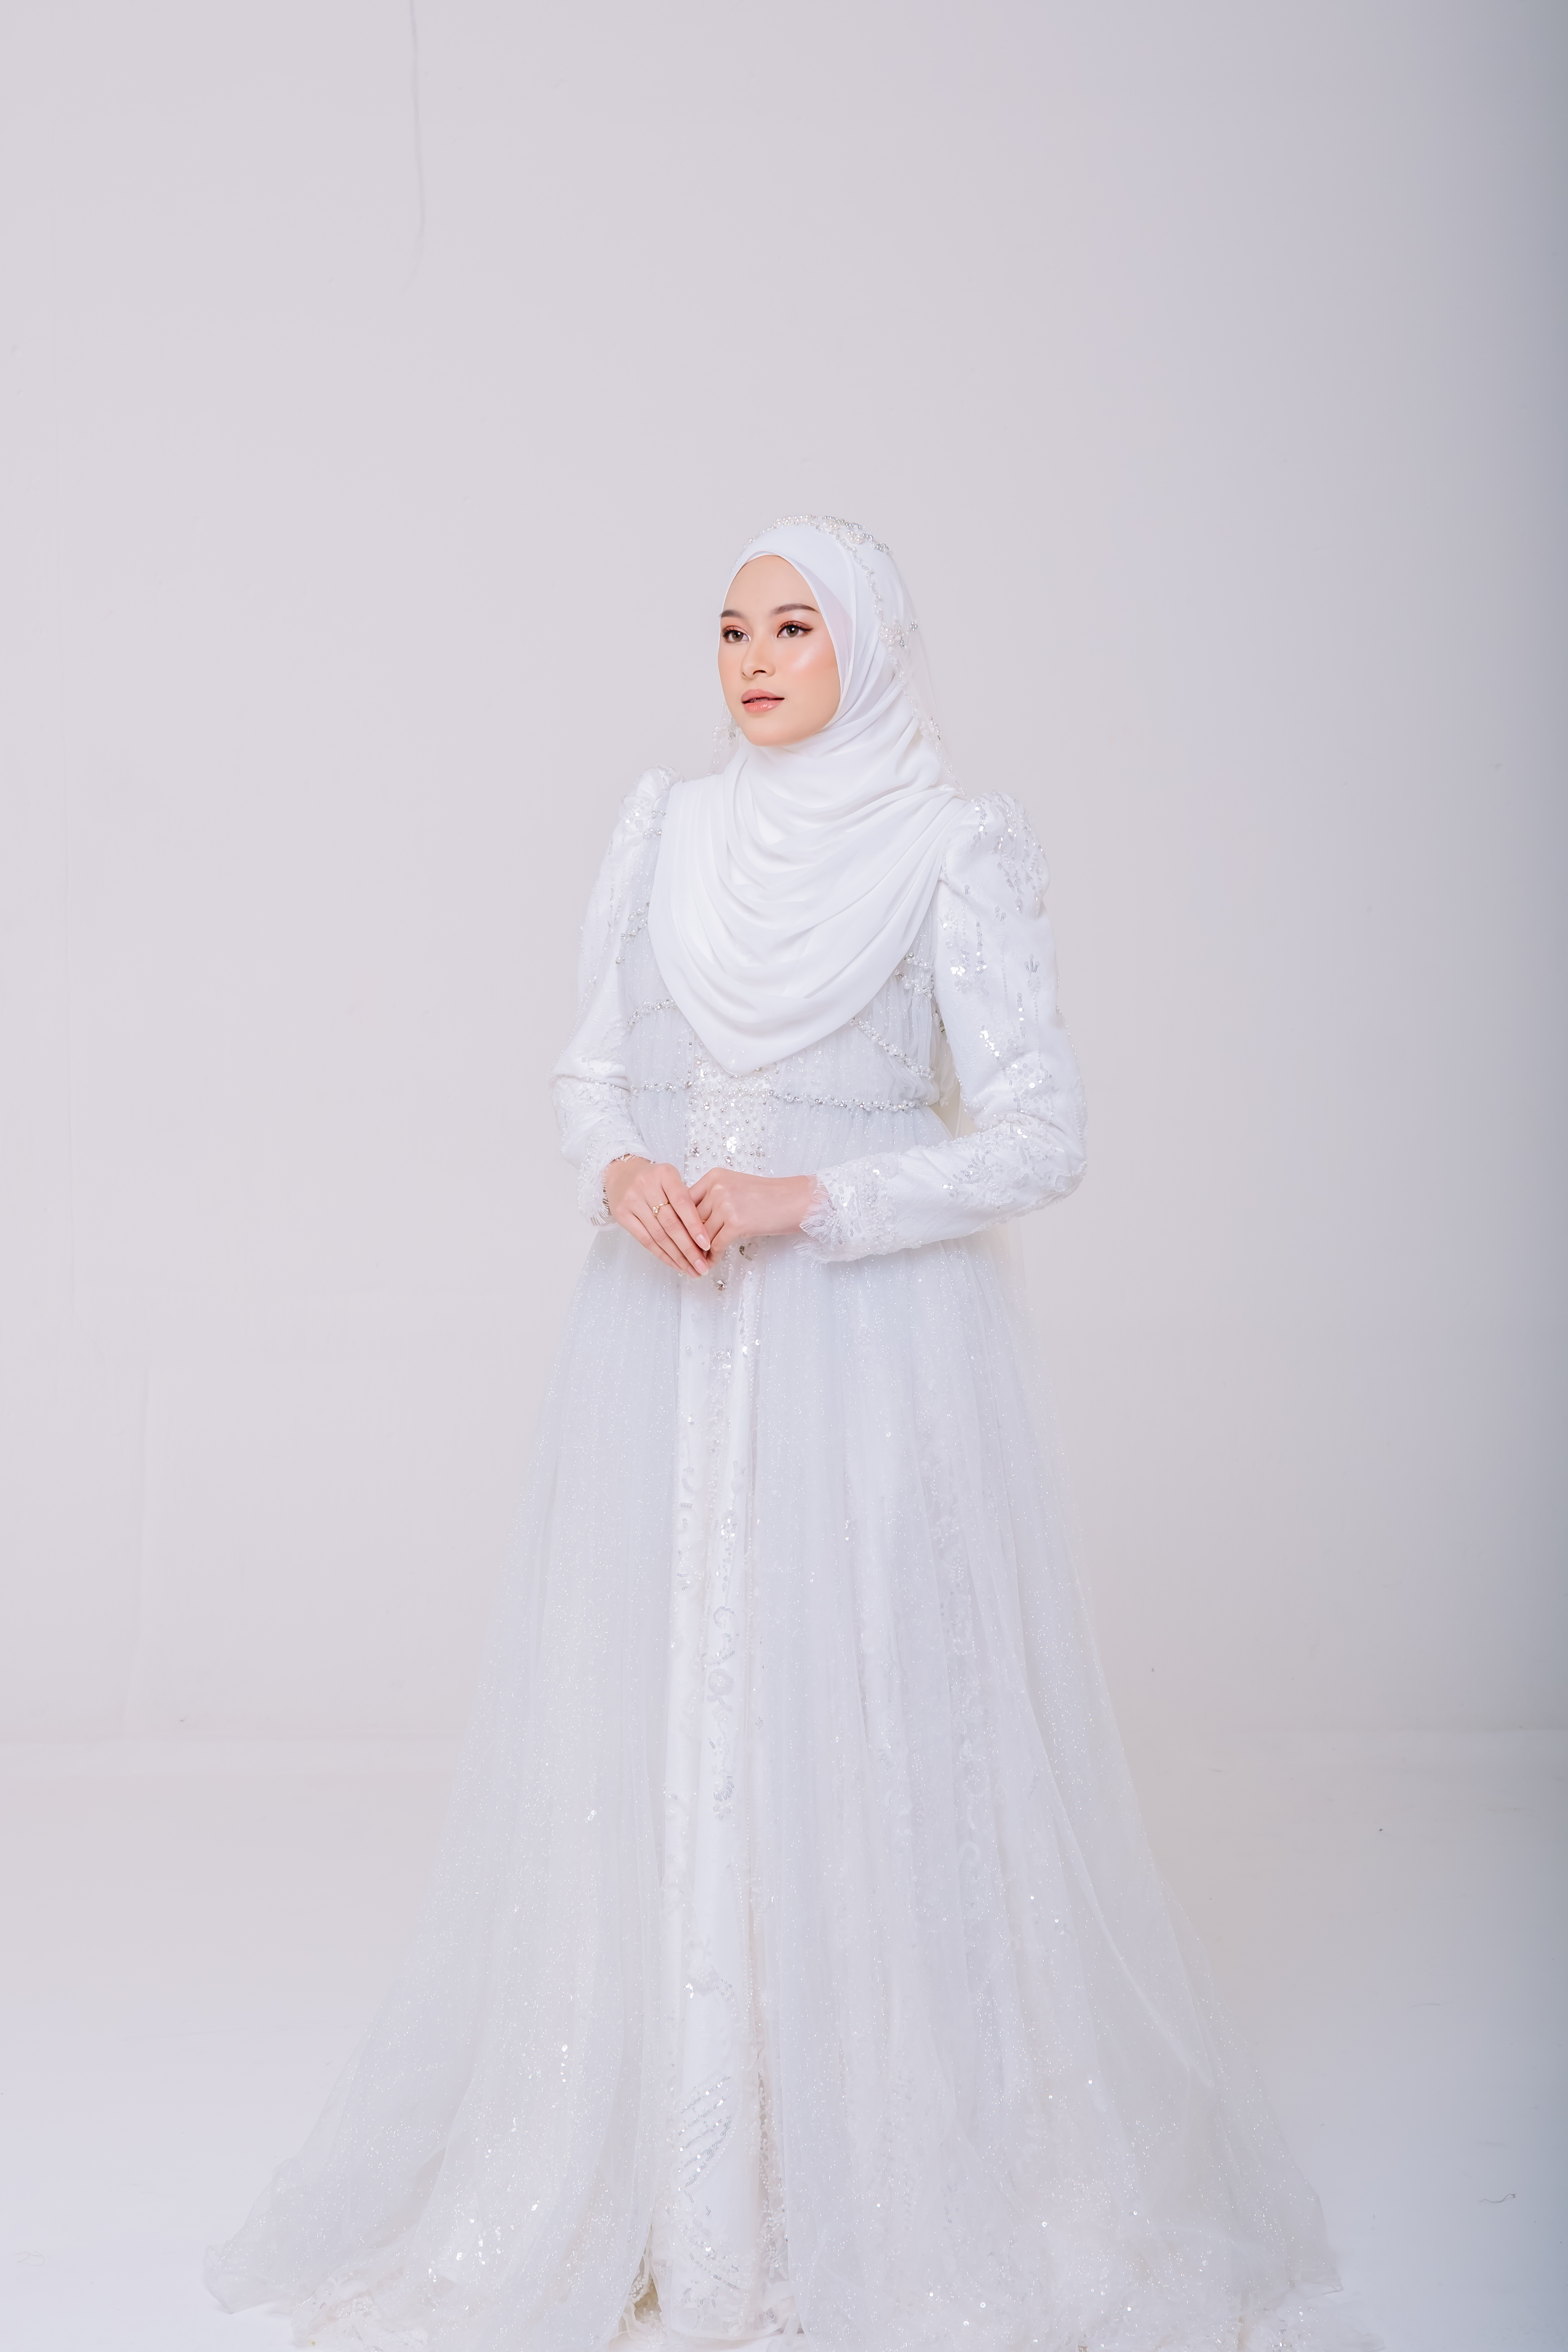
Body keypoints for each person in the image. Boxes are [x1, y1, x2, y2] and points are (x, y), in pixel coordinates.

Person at [209, 517, 1368, 2352]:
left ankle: (860, 2168)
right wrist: (623, 1174)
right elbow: (590, 1070)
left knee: (855, 1714)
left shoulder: (951, 846)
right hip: (662, 1343)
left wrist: (808, 1200)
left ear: (871, 651)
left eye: (795, 628)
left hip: (866, 1354)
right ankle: (670, 2178)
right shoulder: (662, 831)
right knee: (661, 1711)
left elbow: (1039, 1132)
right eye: (732, 630)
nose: (753, 660)